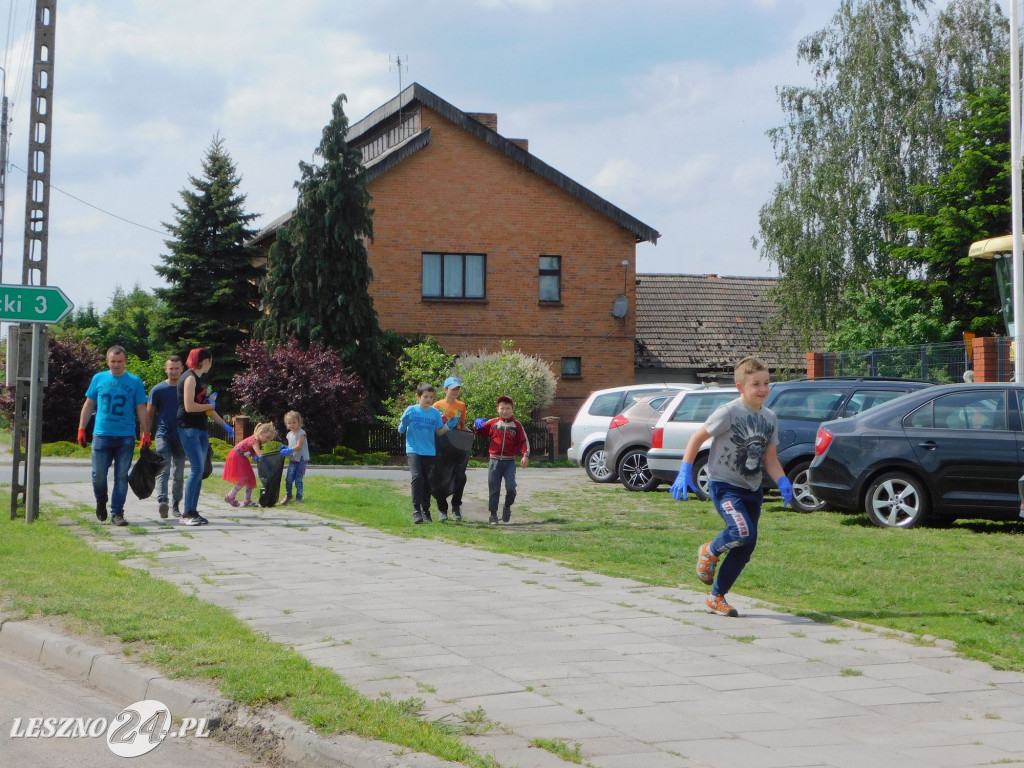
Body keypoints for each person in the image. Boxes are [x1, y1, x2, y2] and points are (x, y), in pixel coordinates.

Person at [670, 356, 792, 618]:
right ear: (740, 387)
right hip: (725, 486)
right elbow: (697, 437)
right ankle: (710, 550)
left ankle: (716, 597)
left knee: (745, 546)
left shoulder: (770, 417)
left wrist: (782, 480)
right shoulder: (728, 412)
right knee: (741, 530)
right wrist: (684, 470)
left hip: (752, 489)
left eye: (766, 383)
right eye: (756, 384)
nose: (762, 389)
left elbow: (770, 459)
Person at [77, 345, 152, 526]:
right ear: (107, 361)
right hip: (102, 433)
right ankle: (101, 500)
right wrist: (81, 428)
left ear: (125, 361)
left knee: (121, 476)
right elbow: (89, 404)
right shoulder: (99, 378)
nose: (116, 365)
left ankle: (117, 512)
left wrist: (146, 433)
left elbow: (142, 409)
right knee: (98, 475)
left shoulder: (134, 381)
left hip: (125, 435)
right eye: (113, 361)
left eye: (119, 361)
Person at [177, 347, 233, 526]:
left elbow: (208, 409)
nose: (212, 363)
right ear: (206, 360)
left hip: (200, 429)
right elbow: (189, 406)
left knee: (200, 470)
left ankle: (193, 511)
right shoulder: (190, 378)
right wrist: (209, 406)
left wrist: (224, 425)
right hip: (188, 428)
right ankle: (187, 513)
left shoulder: (201, 381)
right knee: (196, 469)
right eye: (211, 360)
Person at [398, 382, 460, 524]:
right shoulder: (411, 410)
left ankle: (426, 510)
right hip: (413, 449)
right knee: (417, 476)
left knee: (427, 481)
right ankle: (416, 511)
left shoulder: (434, 413)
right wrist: (404, 423)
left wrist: (448, 426)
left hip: (429, 451)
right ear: (418, 396)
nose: (428, 400)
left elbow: (439, 432)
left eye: (431, 397)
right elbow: (401, 430)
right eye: (425, 397)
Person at [474, 395, 530, 525]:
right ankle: (493, 515)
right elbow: (480, 430)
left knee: (511, 488)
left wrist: (525, 455)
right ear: (497, 409)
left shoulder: (517, 425)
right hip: (494, 461)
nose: (505, 411)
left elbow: (523, 441)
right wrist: (477, 424)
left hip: (509, 462)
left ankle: (507, 506)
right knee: (494, 488)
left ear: (512, 409)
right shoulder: (493, 423)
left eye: (508, 408)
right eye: (502, 408)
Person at [146, 355, 185, 519]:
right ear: (166, 369)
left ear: (182, 369)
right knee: (164, 469)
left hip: (183, 436)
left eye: (177, 368)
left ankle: (176, 505)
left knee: (179, 472)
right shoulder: (158, 390)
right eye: (171, 368)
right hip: (163, 435)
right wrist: (145, 435)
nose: (174, 371)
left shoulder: (187, 388)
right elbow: (148, 414)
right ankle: (163, 501)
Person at [432, 376, 470, 521]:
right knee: (440, 477)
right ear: (446, 389)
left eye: (458, 388)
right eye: (453, 388)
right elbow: (434, 426)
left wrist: (469, 432)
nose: (456, 391)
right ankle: (442, 510)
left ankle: (456, 506)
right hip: (441, 445)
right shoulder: (437, 405)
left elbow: (462, 424)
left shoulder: (461, 405)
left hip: (457, 445)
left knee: (461, 476)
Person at [223, 422, 276, 507]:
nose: (267, 440)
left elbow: (254, 454)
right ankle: (230, 496)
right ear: (261, 433)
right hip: (238, 457)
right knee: (243, 479)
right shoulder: (255, 441)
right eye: (267, 437)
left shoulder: (256, 438)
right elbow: (259, 454)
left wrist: (254, 456)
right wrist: (268, 462)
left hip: (241, 457)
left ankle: (247, 500)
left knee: (250, 478)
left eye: (270, 439)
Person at [281, 410, 310, 505]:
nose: (292, 425)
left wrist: (289, 450)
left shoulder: (301, 433)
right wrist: (285, 448)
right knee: (288, 479)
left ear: (299, 422)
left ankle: (299, 497)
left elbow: (298, 446)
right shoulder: (289, 435)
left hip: (301, 459)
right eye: (289, 423)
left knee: (298, 479)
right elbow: (291, 446)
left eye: (294, 422)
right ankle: (288, 495)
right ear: (286, 424)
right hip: (293, 459)